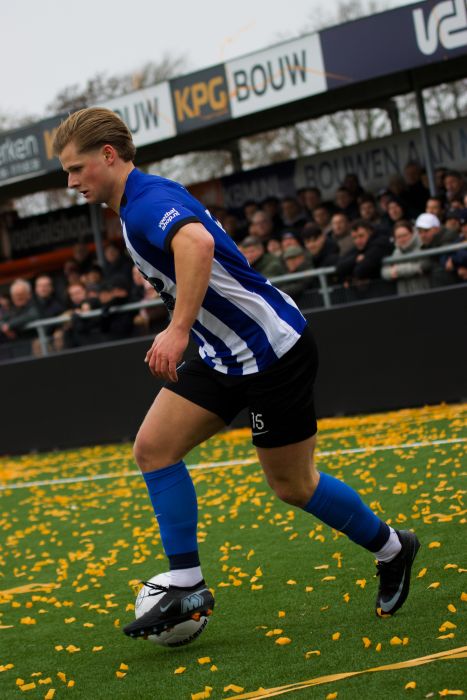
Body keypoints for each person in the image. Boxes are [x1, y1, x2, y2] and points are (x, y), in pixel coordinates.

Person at [53, 107, 420, 641]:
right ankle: (187, 583)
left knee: (293, 485)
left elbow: (197, 244)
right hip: (222, 354)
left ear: (108, 156)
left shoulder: (146, 201)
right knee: (153, 449)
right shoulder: (135, 204)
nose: (71, 182)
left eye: (75, 168)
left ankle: (393, 547)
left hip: (273, 352)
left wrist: (178, 329)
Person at [381, 221, 431, 295]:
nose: (402, 239)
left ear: (412, 234)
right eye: (398, 237)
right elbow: (384, 272)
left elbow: (424, 265)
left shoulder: (422, 246)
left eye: (404, 235)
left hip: (424, 292)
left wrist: (397, 270)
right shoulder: (396, 252)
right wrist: (413, 269)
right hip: (404, 294)